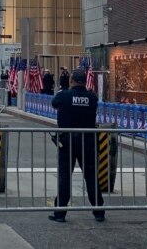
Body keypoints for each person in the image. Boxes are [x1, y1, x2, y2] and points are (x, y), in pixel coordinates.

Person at [49, 69, 104, 223]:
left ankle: (60, 213)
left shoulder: (63, 95)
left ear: (72, 80)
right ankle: (99, 211)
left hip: (67, 142)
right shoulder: (92, 97)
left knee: (65, 177)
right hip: (88, 141)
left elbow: (54, 104)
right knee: (91, 177)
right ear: (85, 81)